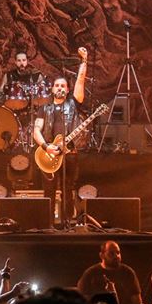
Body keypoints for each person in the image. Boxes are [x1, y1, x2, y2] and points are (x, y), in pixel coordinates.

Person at [32, 47, 87, 225]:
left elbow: (80, 81)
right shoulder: (44, 108)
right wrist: (46, 147)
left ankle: (67, 223)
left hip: (69, 154)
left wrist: (84, 61)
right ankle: (47, 224)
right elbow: (36, 130)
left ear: (67, 89)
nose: (60, 88)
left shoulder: (73, 104)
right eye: (57, 85)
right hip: (49, 153)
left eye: (63, 86)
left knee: (67, 190)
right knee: (48, 191)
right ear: (52, 89)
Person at [76, 241, 143, 304]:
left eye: (118, 252)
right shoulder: (90, 274)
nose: (116, 256)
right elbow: (82, 302)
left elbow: (137, 303)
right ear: (101, 255)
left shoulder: (128, 272)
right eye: (111, 253)